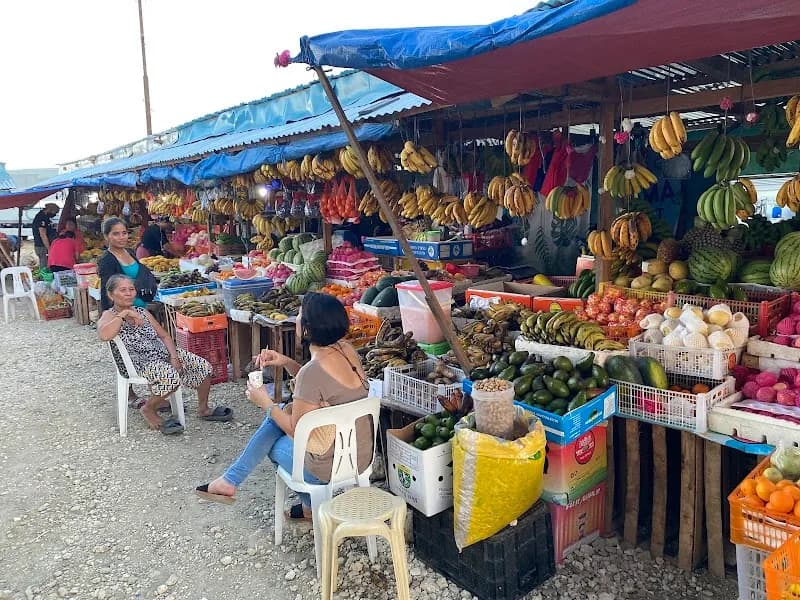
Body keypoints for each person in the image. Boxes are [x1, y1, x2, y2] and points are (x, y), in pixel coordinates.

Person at [196, 292, 373, 517]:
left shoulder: (312, 373)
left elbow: (296, 429)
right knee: (276, 418)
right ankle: (231, 480)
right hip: (361, 455)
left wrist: (266, 403)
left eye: (299, 315)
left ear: (307, 330)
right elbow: (318, 388)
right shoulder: (347, 350)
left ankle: (302, 503)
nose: (296, 318)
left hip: (330, 466)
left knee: (272, 437)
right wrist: (286, 361)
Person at [97, 274, 233, 434]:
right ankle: (148, 408)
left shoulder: (142, 312)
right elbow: (104, 335)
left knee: (203, 366)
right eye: (123, 290)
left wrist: (174, 356)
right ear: (110, 294)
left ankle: (203, 409)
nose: (128, 293)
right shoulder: (109, 315)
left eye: (131, 289)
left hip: (161, 356)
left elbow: (164, 336)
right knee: (171, 377)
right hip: (139, 363)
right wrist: (124, 314)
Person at [97, 218, 154, 311]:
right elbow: (106, 292)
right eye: (116, 234)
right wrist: (110, 316)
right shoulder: (107, 260)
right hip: (126, 312)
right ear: (106, 236)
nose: (121, 237)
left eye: (124, 233)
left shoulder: (130, 252)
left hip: (142, 308)